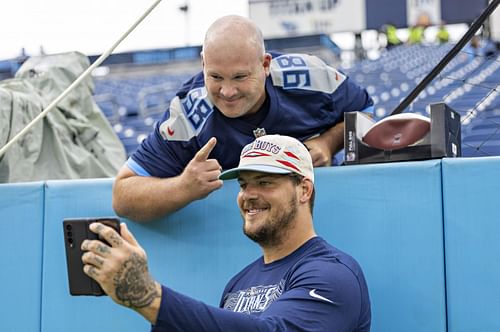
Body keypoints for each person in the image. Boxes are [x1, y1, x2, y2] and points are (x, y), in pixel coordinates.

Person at [82, 134, 371, 332]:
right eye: (244, 184)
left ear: (304, 190)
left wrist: (148, 296)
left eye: (265, 182)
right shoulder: (239, 282)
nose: (249, 195)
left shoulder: (333, 273)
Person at [112, 15, 374, 222]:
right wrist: (183, 187)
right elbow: (123, 195)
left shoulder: (312, 77)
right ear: (203, 64)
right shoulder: (187, 116)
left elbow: (365, 113)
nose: (227, 92)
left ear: (265, 64)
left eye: (239, 77)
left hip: (325, 218)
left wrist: (328, 143)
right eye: (215, 77)